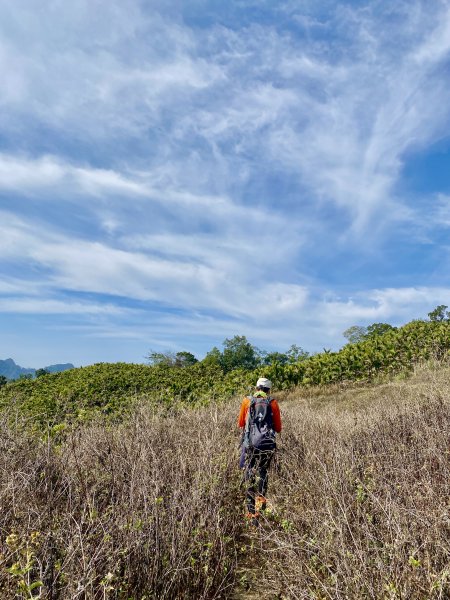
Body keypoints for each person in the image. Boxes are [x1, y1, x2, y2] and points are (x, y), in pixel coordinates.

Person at [238, 377, 282, 524]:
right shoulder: (273, 403)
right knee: (263, 472)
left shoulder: (247, 401)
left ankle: (251, 513)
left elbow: (240, 423)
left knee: (249, 472)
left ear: (256, 388)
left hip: (250, 444)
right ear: (269, 390)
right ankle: (261, 509)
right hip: (268, 444)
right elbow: (278, 428)